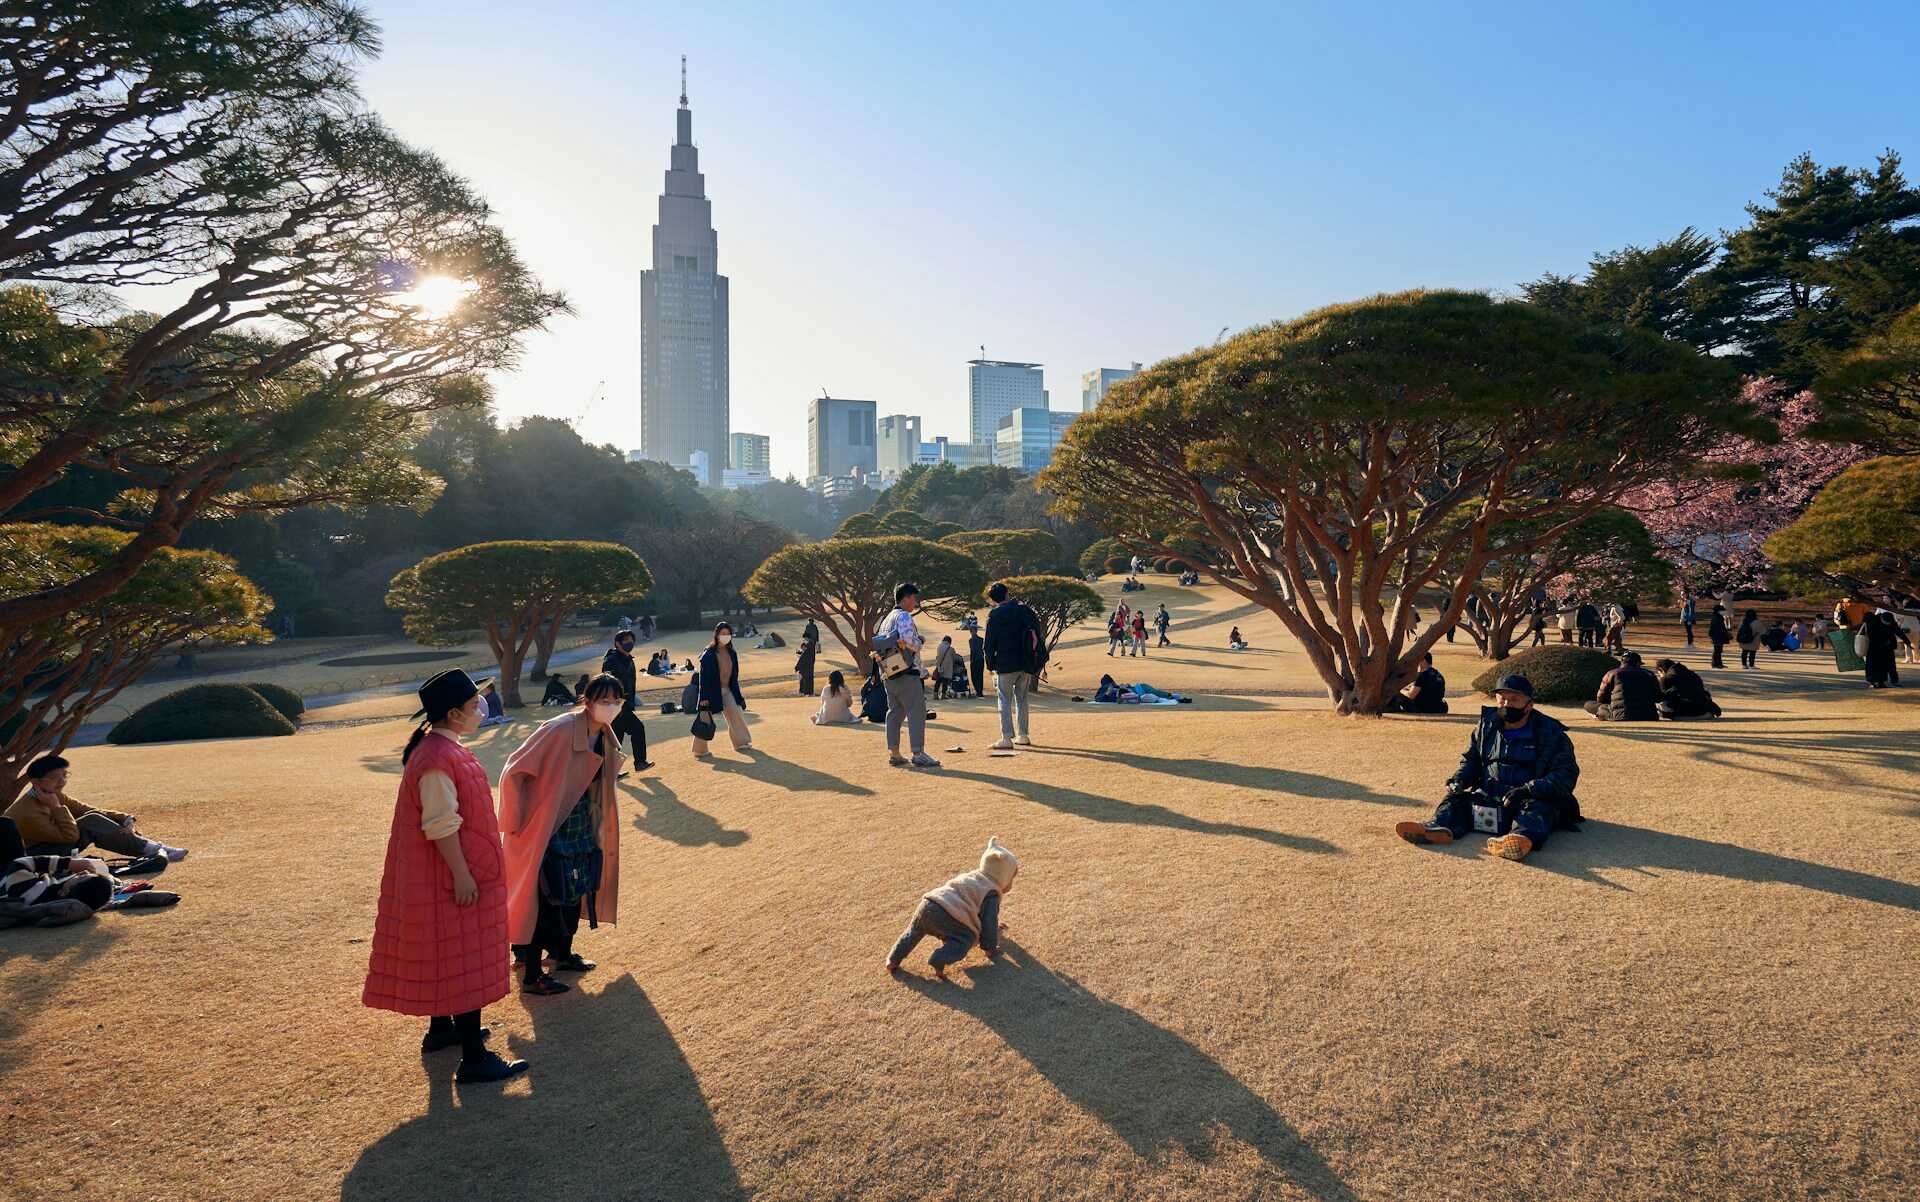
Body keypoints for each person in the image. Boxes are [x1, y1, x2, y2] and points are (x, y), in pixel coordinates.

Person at [362, 669, 525, 1084]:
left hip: (455, 874)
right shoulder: (437, 758)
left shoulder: (442, 749)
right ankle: (473, 1057)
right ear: (453, 713)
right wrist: (462, 875)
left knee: (447, 954)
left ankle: (442, 1030)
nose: (480, 709)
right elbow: (440, 824)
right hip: (453, 879)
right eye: (473, 704)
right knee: (465, 958)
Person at [500, 673, 625, 997]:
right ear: (587, 700)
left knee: (577, 889)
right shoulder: (559, 729)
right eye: (604, 700)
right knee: (545, 897)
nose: (610, 706)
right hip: (549, 827)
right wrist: (515, 821)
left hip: (582, 822)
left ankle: (563, 954)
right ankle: (531, 975)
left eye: (616, 700)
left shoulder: (605, 736)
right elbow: (514, 769)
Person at [1394, 673, 1580, 862]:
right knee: (1456, 800)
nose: (1507, 704)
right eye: (1502, 699)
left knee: (1538, 810)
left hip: (1529, 798)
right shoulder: (1486, 725)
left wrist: (1527, 790)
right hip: (1491, 794)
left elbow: (1565, 775)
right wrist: (1459, 779)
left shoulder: (1552, 733)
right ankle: (1437, 828)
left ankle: (1519, 840)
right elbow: (1471, 760)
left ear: (1529, 705)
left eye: (1514, 700)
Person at [7, 754, 186, 864]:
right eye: (55, 777)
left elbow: (86, 809)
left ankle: (154, 849)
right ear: (35, 782)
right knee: (91, 822)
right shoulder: (27, 812)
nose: (62, 782)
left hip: (54, 847)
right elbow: (69, 837)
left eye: (64, 775)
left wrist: (124, 819)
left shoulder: (52, 793)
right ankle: (156, 851)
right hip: (34, 857)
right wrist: (56, 807)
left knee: (92, 817)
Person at [884, 836, 1018, 981]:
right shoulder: (991, 892)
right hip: (948, 915)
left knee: (914, 931)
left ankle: (893, 959)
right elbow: (988, 922)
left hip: (929, 903)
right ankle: (939, 959)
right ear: (1003, 876)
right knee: (964, 939)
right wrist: (989, 947)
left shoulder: (972, 876)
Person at [2, 817, 114, 925]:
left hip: (6, 877)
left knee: (6, 826)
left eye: (82, 877)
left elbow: (18, 864)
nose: (82, 872)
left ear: (64, 893)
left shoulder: (33, 892)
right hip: (21, 876)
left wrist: (69, 863)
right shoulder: (54, 894)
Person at [875, 583, 940, 768]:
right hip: (906, 672)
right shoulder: (903, 616)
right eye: (914, 598)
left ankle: (894, 752)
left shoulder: (887, 618)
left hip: (889, 671)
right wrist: (920, 641)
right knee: (916, 711)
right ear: (906, 598)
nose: (915, 602)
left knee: (895, 712)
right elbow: (908, 640)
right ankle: (918, 752)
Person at [984, 581, 1042, 750]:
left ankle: (1006, 737)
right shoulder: (1023, 609)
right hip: (1024, 662)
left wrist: (990, 664)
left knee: (1004, 700)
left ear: (993, 599)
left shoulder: (994, 615)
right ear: (1007, 593)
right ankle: (1023, 735)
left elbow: (989, 644)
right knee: (1022, 699)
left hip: (1005, 663)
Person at [693, 622, 753, 757]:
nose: (725, 636)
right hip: (711, 692)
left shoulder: (732, 653)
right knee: (705, 720)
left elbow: (734, 678)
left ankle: (741, 743)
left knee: (735, 713)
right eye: (723, 634)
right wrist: (703, 698)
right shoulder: (708, 654)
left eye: (728, 634)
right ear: (717, 635)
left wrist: (739, 697)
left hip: (727, 690)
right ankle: (700, 750)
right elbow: (704, 678)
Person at [599, 629, 652, 774]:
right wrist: (615, 703)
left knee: (618, 738)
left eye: (631, 640)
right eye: (626, 641)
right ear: (617, 643)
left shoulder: (628, 659)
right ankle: (637, 763)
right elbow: (606, 684)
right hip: (615, 707)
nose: (630, 643)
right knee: (624, 735)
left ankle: (622, 768)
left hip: (626, 705)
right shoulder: (611, 661)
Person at [1583, 651, 1659, 721]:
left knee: (1588, 704)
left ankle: (1600, 714)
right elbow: (1657, 697)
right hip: (1649, 715)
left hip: (1620, 715)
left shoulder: (1612, 673)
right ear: (1638, 663)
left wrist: (1609, 703)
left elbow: (1601, 696)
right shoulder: (1649, 674)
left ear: (1622, 662)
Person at [1651, 658, 1720, 719]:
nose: (1659, 676)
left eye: (1659, 673)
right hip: (1703, 707)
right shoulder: (1691, 674)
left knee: (1661, 703)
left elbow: (1662, 698)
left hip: (1686, 709)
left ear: (1661, 670)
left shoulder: (1666, 678)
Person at [1863, 610, 1902, 688]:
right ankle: (1875, 682)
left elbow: (1898, 631)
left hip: (1885, 647)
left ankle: (1880, 682)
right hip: (1876, 647)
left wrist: (1907, 642)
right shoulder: (1872, 622)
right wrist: (1884, 642)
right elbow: (1873, 636)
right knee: (1877, 665)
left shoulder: (1890, 621)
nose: (1888, 624)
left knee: (1887, 665)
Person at [931, 635, 959, 701]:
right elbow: (954, 657)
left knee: (938, 681)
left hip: (939, 667)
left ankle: (935, 695)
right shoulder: (951, 649)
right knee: (945, 682)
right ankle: (943, 695)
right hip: (947, 668)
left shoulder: (939, 647)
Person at [967, 620, 986, 700]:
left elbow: (973, 651)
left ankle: (978, 691)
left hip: (975, 660)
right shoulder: (981, 639)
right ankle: (979, 691)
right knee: (979, 676)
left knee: (975, 676)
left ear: (971, 632)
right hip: (980, 659)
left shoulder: (971, 640)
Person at [1708, 603, 1731, 669]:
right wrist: (1725, 634)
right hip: (1717, 636)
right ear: (1719, 611)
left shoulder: (1718, 617)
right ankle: (1715, 664)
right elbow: (1718, 628)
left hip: (1718, 636)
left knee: (1718, 650)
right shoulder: (1716, 618)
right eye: (1723, 611)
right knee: (1717, 650)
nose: (1724, 612)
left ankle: (1718, 663)